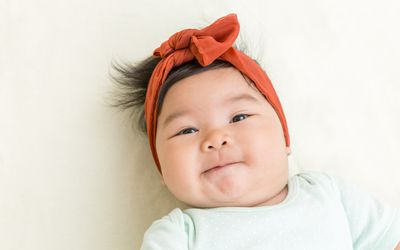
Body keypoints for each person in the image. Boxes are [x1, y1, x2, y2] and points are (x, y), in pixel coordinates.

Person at [110, 13, 400, 250]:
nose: (215, 139)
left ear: (284, 137)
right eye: (186, 130)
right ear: (162, 167)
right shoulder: (179, 235)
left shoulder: (328, 194)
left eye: (238, 116)